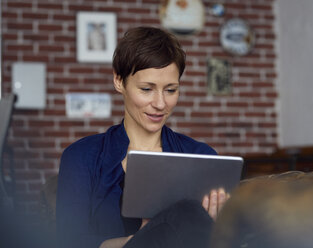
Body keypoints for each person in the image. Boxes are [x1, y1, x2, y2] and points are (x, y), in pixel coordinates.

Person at [56, 26, 229, 248]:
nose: (160, 104)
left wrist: (220, 224)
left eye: (170, 90)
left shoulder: (201, 157)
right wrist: (140, 241)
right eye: (147, 89)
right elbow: (68, 242)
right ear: (119, 81)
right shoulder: (81, 157)